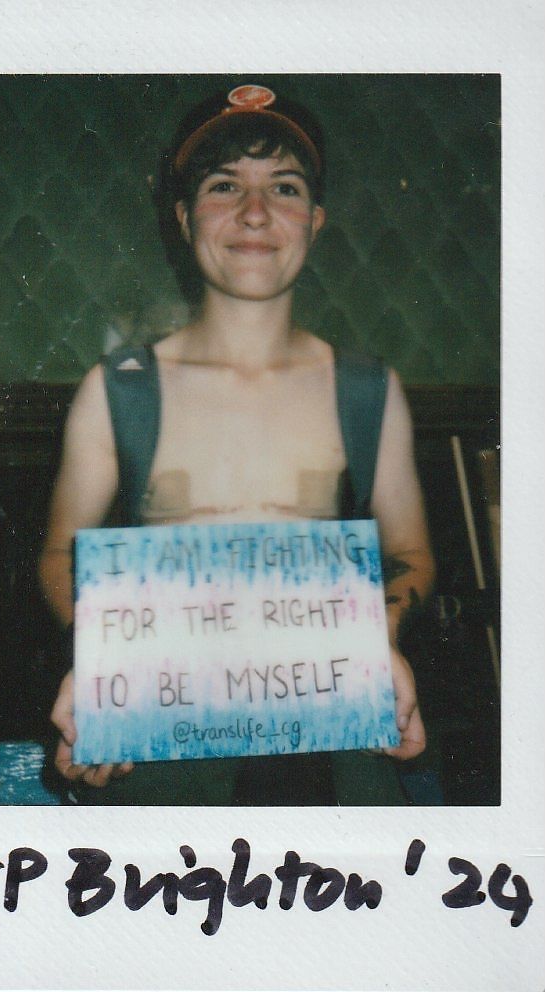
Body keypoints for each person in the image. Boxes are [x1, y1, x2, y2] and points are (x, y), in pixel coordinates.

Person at [39, 83, 435, 805]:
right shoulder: (118, 391)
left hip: (335, 742)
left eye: (283, 187)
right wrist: (98, 664)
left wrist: (379, 640)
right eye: (225, 186)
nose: (255, 213)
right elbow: (61, 553)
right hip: (166, 746)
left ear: (315, 220)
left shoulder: (367, 391)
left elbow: (410, 552)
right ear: (184, 217)